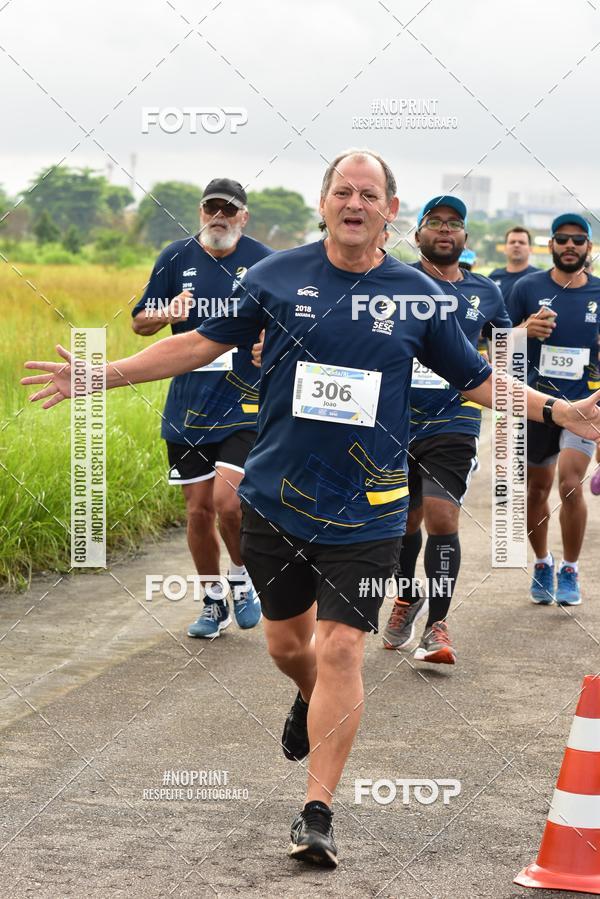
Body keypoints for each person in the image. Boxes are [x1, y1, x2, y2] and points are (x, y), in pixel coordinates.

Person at [22, 151, 600, 869]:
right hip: (276, 499)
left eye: (369, 193)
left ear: (390, 209)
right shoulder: (275, 277)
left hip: (371, 510)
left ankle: (317, 809)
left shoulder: (421, 297)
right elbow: (199, 342)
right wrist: (99, 375)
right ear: (323, 202)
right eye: (342, 190)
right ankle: (308, 698)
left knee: (339, 649)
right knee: (289, 649)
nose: (354, 202)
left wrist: (559, 407)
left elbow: (479, 379)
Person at [131, 178, 272, 638]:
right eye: (212, 209)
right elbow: (140, 323)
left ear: (243, 217)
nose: (219, 218)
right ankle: (214, 602)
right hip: (189, 406)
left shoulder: (264, 262)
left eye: (228, 211)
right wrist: (164, 314)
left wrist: (269, 346)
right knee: (198, 511)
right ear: (200, 212)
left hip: (246, 401)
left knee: (228, 503)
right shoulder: (175, 257)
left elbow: (288, 324)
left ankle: (242, 576)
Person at [382, 196, 512, 665]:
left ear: (465, 238)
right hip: (393, 417)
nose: (444, 230)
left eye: (454, 224)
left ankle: (437, 625)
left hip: (454, 419)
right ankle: (405, 596)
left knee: (441, 517)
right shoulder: (393, 282)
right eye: (433, 222)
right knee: (401, 520)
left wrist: (503, 388)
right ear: (416, 235)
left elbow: (501, 350)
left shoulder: (487, 293)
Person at [508, 213, 600, 605]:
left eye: (578, 240)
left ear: (588, 249)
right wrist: (523, 331)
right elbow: (496, 345)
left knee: (570, 484)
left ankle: (570, 570)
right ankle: (543, 563)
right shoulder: (526, 287)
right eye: (562, 239)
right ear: (551, 245)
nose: (570, 246)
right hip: (537, 407)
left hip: (582, 407)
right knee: (537, 491)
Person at [488, 226, 538, 302]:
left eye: (522, 242)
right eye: (512, 242)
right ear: (505, 248)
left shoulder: (539, 278)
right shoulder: (494, 277)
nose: (516, 245)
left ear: (530, 249)